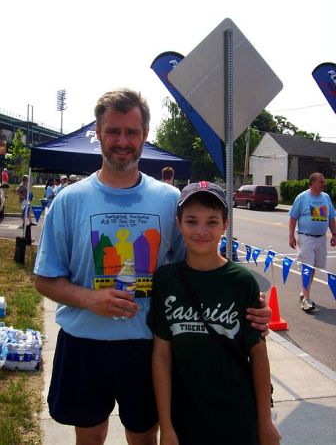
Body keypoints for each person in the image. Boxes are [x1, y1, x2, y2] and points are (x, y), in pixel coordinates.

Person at [34, 88, 271, 445]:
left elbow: (199, 267)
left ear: (145, 134)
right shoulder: (69, 200)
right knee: (89, 434)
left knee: (143, 436)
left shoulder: (169, 200)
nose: (122, 141)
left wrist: (248, 304)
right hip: (84, 343)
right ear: (97, 132)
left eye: (132, 132)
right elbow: (44, 279)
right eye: (113, 131)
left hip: (148, 346)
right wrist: (90, 299)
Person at [149, 181, 281, 445]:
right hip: (185, 416)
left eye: (211, 222)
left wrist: (265, 422)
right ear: (179, 223)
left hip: (237, 416)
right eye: (191, 221)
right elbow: (162, 355)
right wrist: (166, 425)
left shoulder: (241, 281)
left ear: (225, 225)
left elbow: (258, 355)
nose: (201, 230)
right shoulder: (166, 279)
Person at [289, 172, 336, 311]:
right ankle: (306, 299)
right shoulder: (302, 197)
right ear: (313, 183)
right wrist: (291, 235)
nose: (324, 184)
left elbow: (331, 218)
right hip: (306, 238)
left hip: (321, 239)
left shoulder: (326, 197)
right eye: (321, 181)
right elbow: (293, 217)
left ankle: (304, 292)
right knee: (307, 267)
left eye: (323, 181)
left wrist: (334, 233)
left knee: (314, 267)